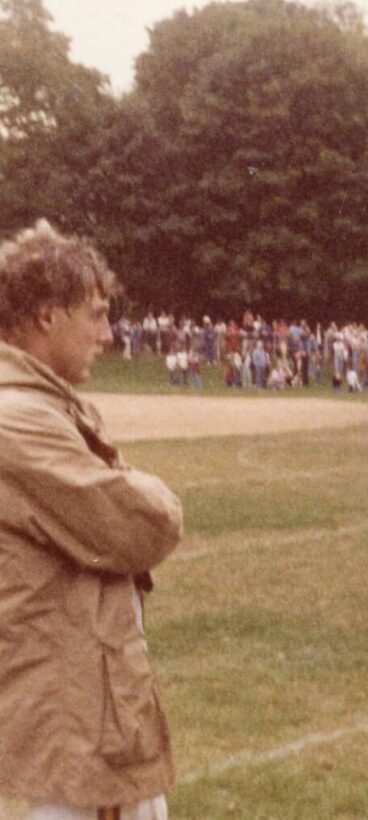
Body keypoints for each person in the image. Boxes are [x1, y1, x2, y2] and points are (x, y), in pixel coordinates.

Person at [0, 221, 182, 819]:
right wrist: (151, 491)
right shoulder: (17, 417)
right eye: (96, 315)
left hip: (89, 705)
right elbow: (139, 526)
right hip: (77, 715)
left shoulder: (43, 403)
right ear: (47, 316)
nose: (108, 334)